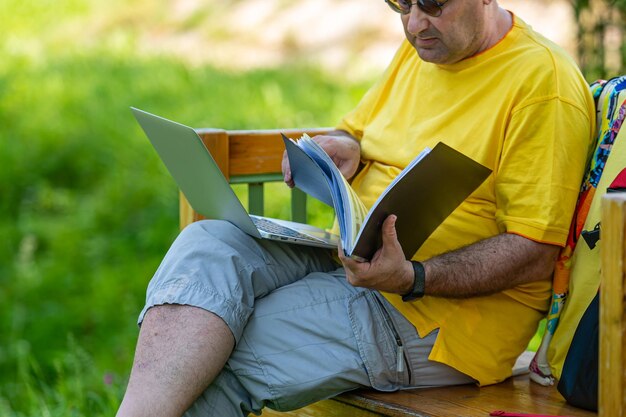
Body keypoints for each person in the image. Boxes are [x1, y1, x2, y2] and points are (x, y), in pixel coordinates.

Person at [117, 0, 596, 416]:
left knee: (214, 357)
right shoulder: (424, 48)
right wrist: (344, 145)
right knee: (208, 243)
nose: (414, 24)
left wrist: (413, 276)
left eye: (433, 3)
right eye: (400, 5)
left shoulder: (542, 85)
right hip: (352, 261)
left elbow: (535, 250)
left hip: (440, 320)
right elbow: (361, 130)